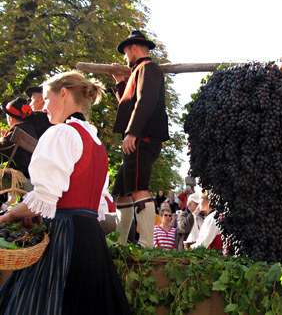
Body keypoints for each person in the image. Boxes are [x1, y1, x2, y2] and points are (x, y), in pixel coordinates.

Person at [0, 71, 131, 314]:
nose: (42, 107)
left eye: (46, 99)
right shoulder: (97, 143)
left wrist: (7, 216)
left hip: (63, 239)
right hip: (91, 240)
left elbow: (42, 200)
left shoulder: (61, 133)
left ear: (63, 93)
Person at [111, 30, 170, 248]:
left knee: (137, 188)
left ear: (134, 48)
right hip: (138, 137)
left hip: (142, 138)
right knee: (121, 191)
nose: (124, 58)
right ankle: (121, 241)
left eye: (125, 52)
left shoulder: (148, 68)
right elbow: (129, 105)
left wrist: (132, 132)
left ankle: (146, 244)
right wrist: (120, 84)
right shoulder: (140, 70)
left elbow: (146, 101)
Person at [0, 97, 37, 179]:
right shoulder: (29, 128)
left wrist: (1, 139)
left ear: (10, 117)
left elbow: (2, 148)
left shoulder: (17, 130)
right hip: (28, 171)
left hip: (18, 171)